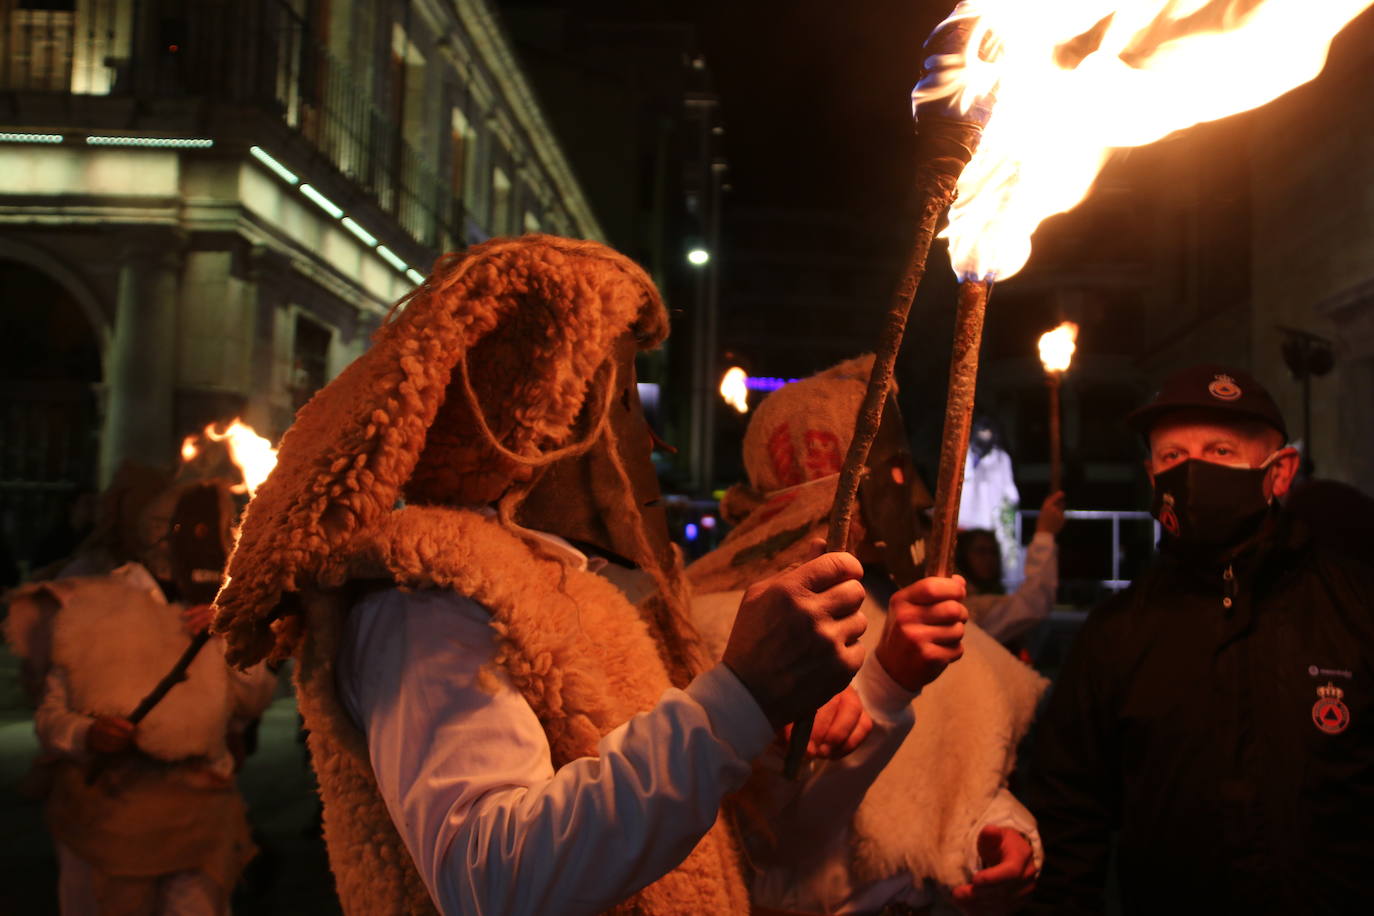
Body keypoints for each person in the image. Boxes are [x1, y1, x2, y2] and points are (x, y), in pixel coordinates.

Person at [211, 236, 975, 916]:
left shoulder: (564, 586)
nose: (640, 435)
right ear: (536, 407)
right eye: (606, 392)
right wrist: (737, 696)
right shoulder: (429, 597)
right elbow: (494, 882)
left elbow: (707, 819)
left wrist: (820, 705)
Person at [689, 356, 1048, 914]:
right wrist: (887, 684)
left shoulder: (915, 607)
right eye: (891, 468)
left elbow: (955, 773)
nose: (920, 494)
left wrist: (1005, 827)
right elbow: (769, 841)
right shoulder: (719, 632)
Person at [1024, 364, 1374, 913]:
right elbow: (1067, 812)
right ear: (1151, 474)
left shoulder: (1355, 608)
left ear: (1279, 473)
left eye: (1220, 452)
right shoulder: (1116, 633)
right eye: (1172, 457)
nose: (1191, 472)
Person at [4, 480, 276, 915]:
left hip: (200, 815)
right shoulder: (93, 601)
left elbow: (252, 702)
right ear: (159, 532)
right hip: (110, 815)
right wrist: (88, 733)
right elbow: (51, 715)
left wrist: (231, 635)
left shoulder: (223, 605)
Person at [955, 490, 1065, 645]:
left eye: (993, 552)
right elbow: (1033, 602)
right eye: (980, 551)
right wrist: (1044, 533)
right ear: (962, 556)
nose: (988, 559)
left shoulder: (984, 600)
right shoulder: (970, 608)